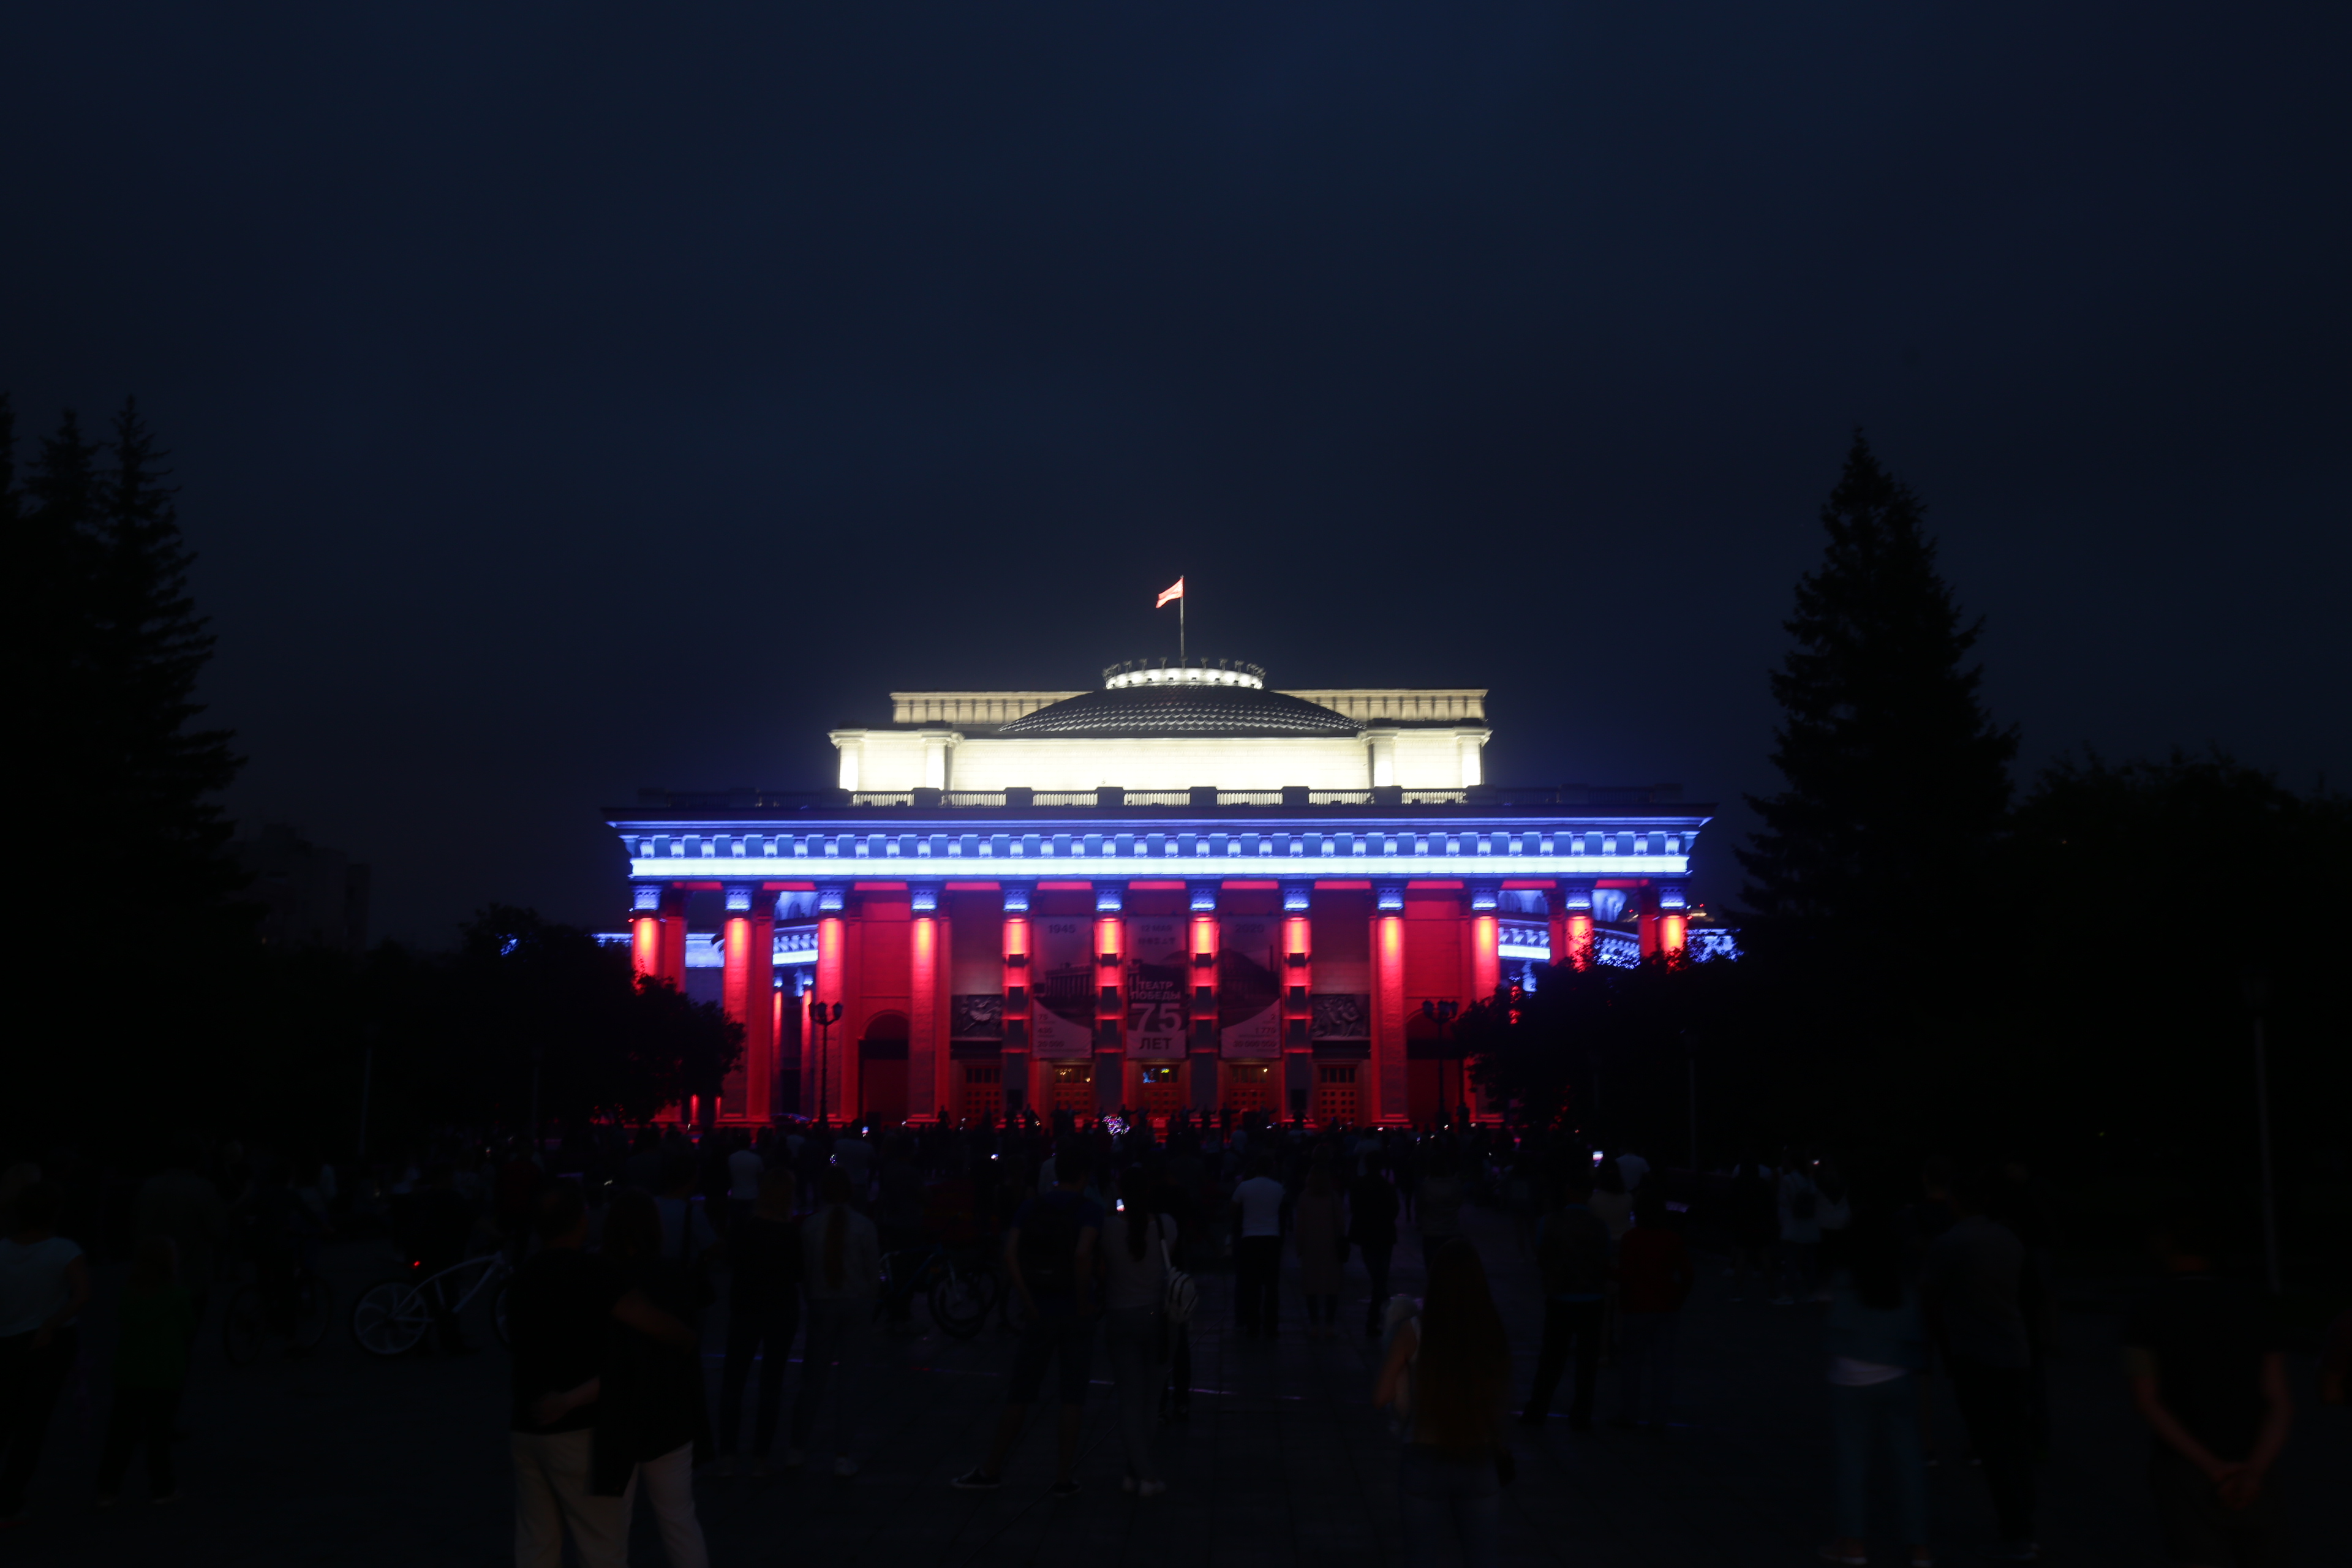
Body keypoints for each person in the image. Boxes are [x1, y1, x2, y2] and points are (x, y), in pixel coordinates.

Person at [507, 1180, 693, 1568]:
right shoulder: (592, 1273)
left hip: (527, 1424)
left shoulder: (521, 1276)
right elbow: (652, 1322)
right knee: (601, 1547)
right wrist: (685, 1337)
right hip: (580, 1431)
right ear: (582, 1221)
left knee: (537, 1541)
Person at [2122, 1204, 2293, 1568]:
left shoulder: (2147, 1308)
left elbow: (2146, 1400)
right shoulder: (2256, 1303)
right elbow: (2278, 1400)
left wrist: (2213, 1467)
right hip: (2254, 1461)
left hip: (2185, 1467)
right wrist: (2255, 1470)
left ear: (2164, 1243)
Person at [952, 1142, 1103, 1496]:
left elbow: (1010, 1255)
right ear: (1084, 1176)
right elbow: (1083, 1254)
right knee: (1073, 1396)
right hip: (1074, 1311)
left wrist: (1027, 1299)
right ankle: (1063, 1477)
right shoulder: (1090, 1210)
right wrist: (1084, 1300)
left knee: (1020, 1392)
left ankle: (992, 1469)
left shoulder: (1032, 1206)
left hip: (1040, 1308)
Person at [589, 1191, 710, 1567]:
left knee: (610, 1525)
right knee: (679, 1518)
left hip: (613, 1411)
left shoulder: (599, 1275)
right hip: (668, 1408)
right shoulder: (671, 1274)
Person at [1921, 1168, 2036, 1561]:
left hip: (1976, 1353)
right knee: (2015, 1442)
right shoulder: (2008, 1238)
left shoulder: (1950, 1244)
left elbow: (1930, 1297)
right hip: (2014, 1351)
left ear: (1955, 1201)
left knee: (1993, 1445)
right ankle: (2025, 1524)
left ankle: (2015, 1532)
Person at [1376, 1240, 1510, 1568]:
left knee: (1420, 1558)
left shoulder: (1412, 1331)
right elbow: (1499, 1399)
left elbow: (1380, 1396)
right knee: (1483, 1559)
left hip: (1424, 1455)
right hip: (1478, 1454)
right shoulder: (1491, 1327)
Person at [1820, 1210, 1932, 1568]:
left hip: (1850, 1375)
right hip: (1897, 1371)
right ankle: (1919, 1547)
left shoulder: (1845, 1276)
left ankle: (1853, 1543)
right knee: (1908, 1462)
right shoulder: (1902, 1277)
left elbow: (1830, 1315)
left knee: (1852, 1461)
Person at [0, 1182, 92, 1526]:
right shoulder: (65, 1251)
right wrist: (52, 1322)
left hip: (6, 1340)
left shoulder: (3, 1250)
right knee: (32, 1425)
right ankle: (8, 1500)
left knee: (5, 1417)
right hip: (49, 1344)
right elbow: (82, 1295)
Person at [96, 1236, 195, 1506]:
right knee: (158, 1435)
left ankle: (108, 1490)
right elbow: (188, 1328)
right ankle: (162, 1488)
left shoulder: (129, 1295)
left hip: (130, 1371)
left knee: (121, 1434)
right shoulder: (178, 1297)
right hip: (165, 1373)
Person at [793, 1169, 880, 1476]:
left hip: (821, 1303)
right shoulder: (864, 1226)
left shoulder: (810, 1226)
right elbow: (873, 1272)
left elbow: (804, 1270)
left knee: (812, 1380)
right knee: (849, 1382)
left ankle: (797, 1447)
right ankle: (842, 1454)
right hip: (856, 1303)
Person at [715, 1167, 801, 1477]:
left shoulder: (744, 1227)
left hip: (746, 1307)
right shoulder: (792, 1233)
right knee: (772, 1384)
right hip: (781, 1309)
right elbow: (799, 1273)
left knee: (734, 1382)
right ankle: (760, 1457)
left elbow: (729, 1261)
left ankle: (727, 1455)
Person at [1098, 1168, 1169, 1496]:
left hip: (1120, 1314)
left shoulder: (1109, 1228)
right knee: (1151, 1401)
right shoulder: (1166, 1225)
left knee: (1129, 1400)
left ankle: (1138, 1472)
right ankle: (1142, 1473)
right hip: (1156, 1315)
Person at [1520, 1167, 1609, 1430]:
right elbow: (1604, 1259)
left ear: (1569, 1192)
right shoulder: (1599, 1226)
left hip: (1560, 1296)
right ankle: (1581, 1414)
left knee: (1551, 1358)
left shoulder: (1550, 1222)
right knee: (1587, 1361)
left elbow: (1541, 1255)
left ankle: (1538, 1410)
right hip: (1592, 1297)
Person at [134, 1137, 225, 1352]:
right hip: (190, 1277)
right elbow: (220, 1233)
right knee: (183, 1343)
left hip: (150, 1275)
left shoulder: (149, 1187)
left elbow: (136, 1227)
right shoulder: (203, 1189)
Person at [1613, 1188, 1693, 1430]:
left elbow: (1626, 1274)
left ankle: (1630, 1413)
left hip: (1636, 1306)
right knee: (1662, 1365)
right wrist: (1678, 1299)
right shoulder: (1672, 1239)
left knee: (1631, 1363)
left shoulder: (1631, 1238)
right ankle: (1659, 1417)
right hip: (1666, 1307)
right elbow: (1687, 1274)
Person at [1231, 1155, 1286, 1338]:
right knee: (1271, 1286)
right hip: (1271, 1238)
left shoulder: (1244, 1187)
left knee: (1251, 1285)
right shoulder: (1278, 1188)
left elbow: (1233, 1209)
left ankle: (1252, 1324)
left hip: (1250, 1238)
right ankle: (1271, 1326)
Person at [1347, 1155, 1401, 1337]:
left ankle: (1376, 1318)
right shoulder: (1387, 1187)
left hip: (1366, 1234)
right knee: (1381, 1276)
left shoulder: (1358, 1185)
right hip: (1384, 1233)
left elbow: (1354, 1207)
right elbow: (1395, 1209)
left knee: (1377, 1277)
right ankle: (1380, 1317)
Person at [1294, 1162, 1346, 1339]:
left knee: (1311, 1287)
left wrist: (1299, 1247)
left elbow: (1300, 1226)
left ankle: (1314, 1324)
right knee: (1331, 1287)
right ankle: (1330, 1325)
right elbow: (1341, 1223)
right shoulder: (1333, 1197)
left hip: (1310, 1246)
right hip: (1330, 1246)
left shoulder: (1304, 1197)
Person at [1773, 1154, 1822, 1306]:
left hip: (1793, 1226)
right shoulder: (1811, 1180)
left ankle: (1788, 1294)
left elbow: (1783, 1201)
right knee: (1810, 1263)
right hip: (1811, 1227)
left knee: (1791, 1263)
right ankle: (1812, 1293)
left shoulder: (1788, 1179)